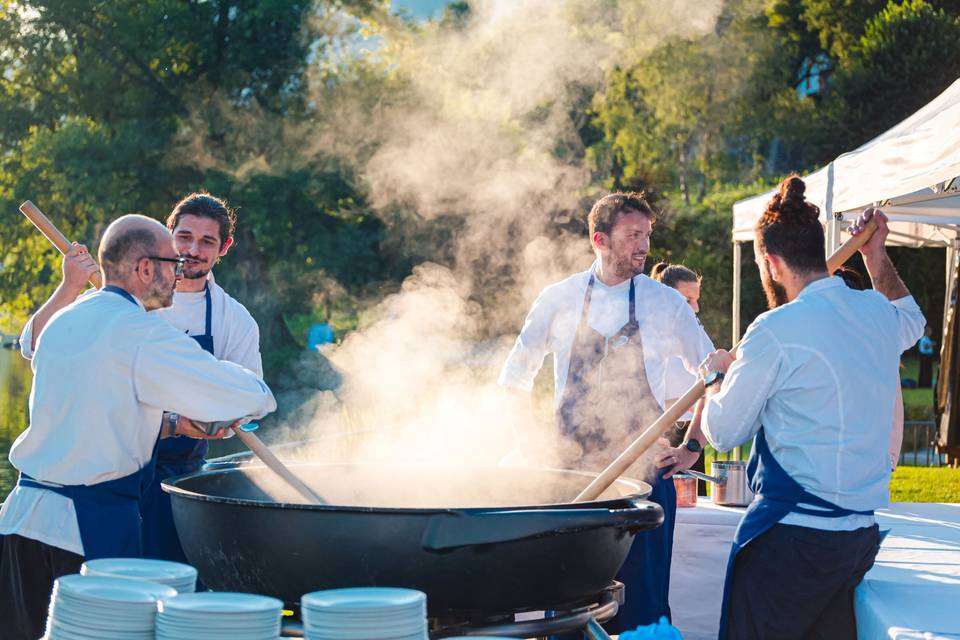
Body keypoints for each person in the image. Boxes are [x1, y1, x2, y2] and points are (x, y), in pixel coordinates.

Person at [0, 214, 277, 640]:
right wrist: (222, 401)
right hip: (87, 529)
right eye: (171, 261)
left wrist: (168, 421)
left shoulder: (63, 321)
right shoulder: (145, 334)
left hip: (20, 521)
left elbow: (99, 404)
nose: (178, 270)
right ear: (146, 268)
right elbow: (251, 396)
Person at [697, 176, 925, 640]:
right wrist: (875, 255)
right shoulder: (877, 314)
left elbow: (722, 432)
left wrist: (714, 378)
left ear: (771, 262)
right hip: (858, 539)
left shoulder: (774, 329)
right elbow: (913, 318)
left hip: (792, 541)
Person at [498, 192, 713, 630]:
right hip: (576, 482)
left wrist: (693, 445)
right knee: (571, 606)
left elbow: (713, 374)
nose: (644, 247)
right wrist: (531, 446)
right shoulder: (559, 298)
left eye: (647, 236)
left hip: (644, 481)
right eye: (633, 236)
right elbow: (513, 379)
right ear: (600, 239)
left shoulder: (666, 304)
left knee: (643, 608)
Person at [17, 193, 262, 565]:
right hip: (105, 482)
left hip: (178, 481)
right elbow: (35, 346)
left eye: (207, 241)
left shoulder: (234, 320)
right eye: (184, 238)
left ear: (223, 248)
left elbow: (241, 407)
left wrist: (201, 424)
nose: (191, 251)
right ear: (165, 240)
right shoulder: (123, 309)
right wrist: (70, 286)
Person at [651, 262, 708, 494]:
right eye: (687, 300)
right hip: (662, 436)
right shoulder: (646, 334)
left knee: (697, 511)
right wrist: (680, 405)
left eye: (696, 300)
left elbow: (712, 380)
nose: (695, 308)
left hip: (693, 436)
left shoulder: (695, 330)